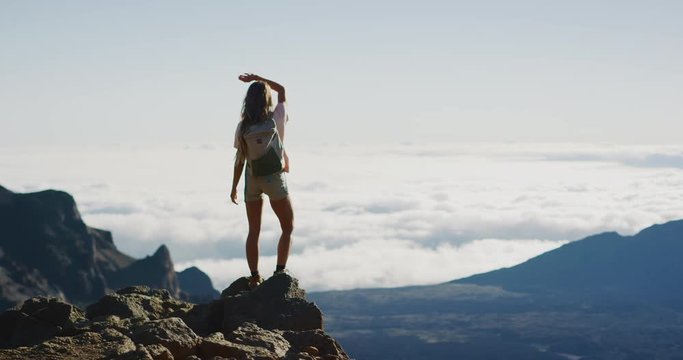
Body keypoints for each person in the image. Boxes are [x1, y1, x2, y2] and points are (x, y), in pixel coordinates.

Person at [230, 73, 294, 289]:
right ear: (268, 98)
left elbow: (239, 160)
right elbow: (283, 90)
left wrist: (234, 188)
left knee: (254, 230)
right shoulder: (276, 116)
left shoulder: (243, 126)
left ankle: (255, 276)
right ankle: (280, 271)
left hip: (252, 178)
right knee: (287, 227)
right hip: (274, 178)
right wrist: (259, 78)